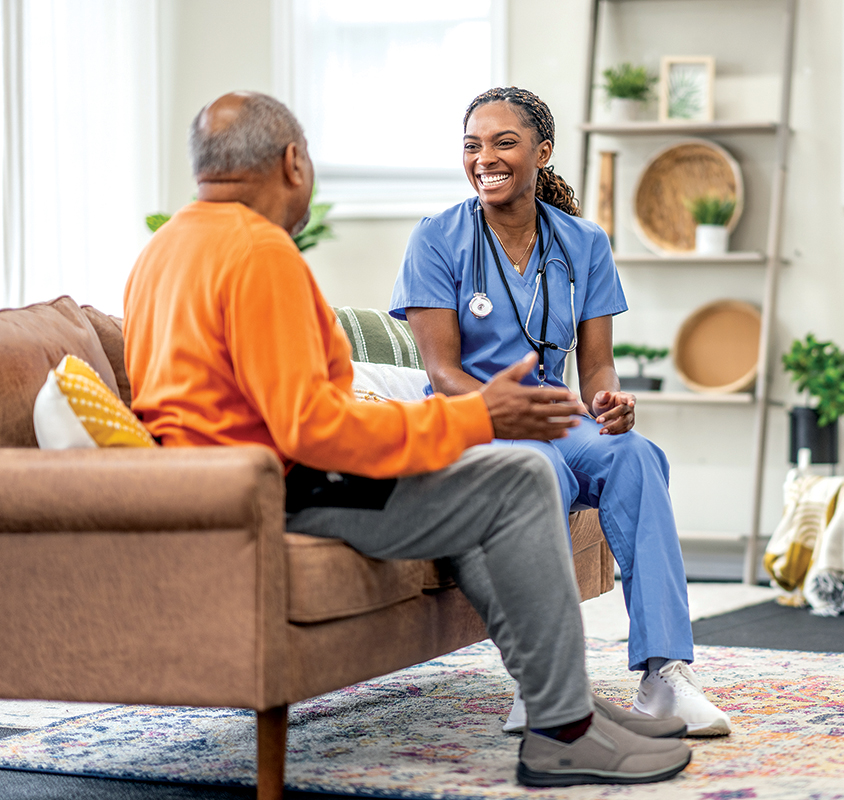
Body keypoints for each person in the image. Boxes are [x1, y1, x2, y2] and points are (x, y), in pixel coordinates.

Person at [123, 91, 693, 787]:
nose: (484, 158)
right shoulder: (260, 252)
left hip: (222, 483)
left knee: (505, 482)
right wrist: (473, 419)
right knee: (517, 479)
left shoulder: (162, 249)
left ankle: (562, 709)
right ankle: (562, 726)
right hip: (281, 488)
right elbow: (315, 429)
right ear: (293, 163)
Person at [390, 86, 732, 737]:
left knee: (634, 455)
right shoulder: (437, 240)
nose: (484, 157)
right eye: (472, 145)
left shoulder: (583, 242)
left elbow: (597, 363)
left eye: (503, 142)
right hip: (475, 421)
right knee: (530, 470)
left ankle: (665, 675)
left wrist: (609, 401)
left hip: (559, 416)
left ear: (542, 152)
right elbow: (442, 373)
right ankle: (546, 681)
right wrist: (503, 411)